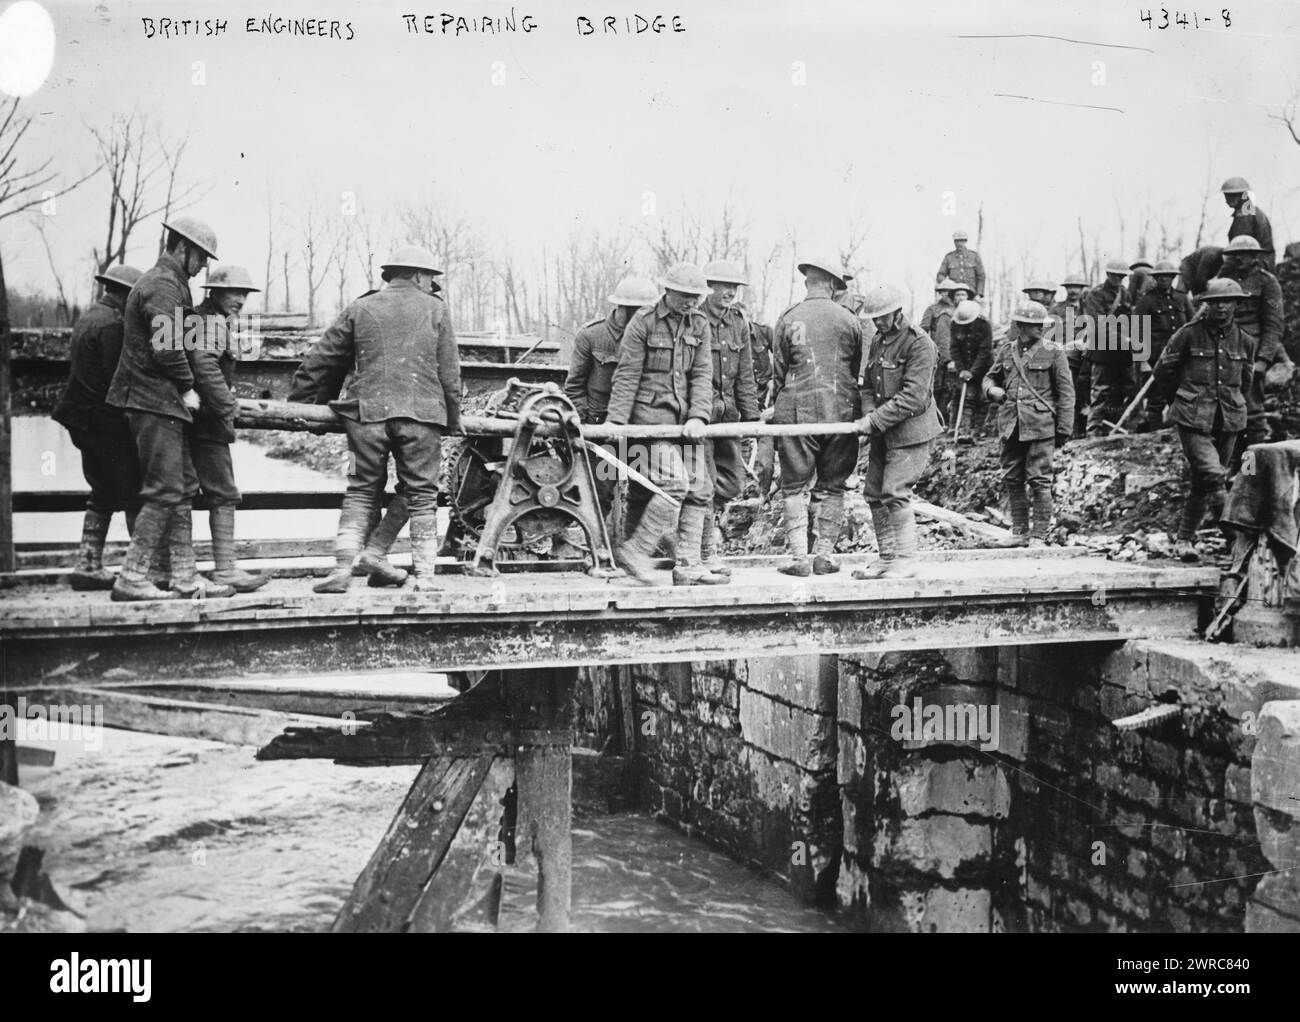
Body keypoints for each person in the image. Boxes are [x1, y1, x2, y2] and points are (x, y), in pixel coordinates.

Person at [289, 245, 461, 592]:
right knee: (422, 493)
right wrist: (453, 420)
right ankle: (424, 577)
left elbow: (321, 360)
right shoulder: (436, 309)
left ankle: (344, 569)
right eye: (430, 278)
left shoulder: (360, 306)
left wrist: (303, 406)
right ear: (418, 276)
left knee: (360, 488)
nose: (430, 285)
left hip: (365, 419)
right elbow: (450, 374)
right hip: (421, 419)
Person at [106, 216, 228, 601]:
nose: (204, 266)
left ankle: (184, 577)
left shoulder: (173, 285)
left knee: (184, 485)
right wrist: (189, 387)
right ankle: (132, 575)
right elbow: (167, 348)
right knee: (165, 489)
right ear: (182, 248)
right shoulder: (162, 285)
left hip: (162, 402)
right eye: (201, 256)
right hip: (153, 401)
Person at [604, 262, 719, 586]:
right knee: (674, 482)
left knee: (700, 488)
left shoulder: (700, 324)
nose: (692, 302)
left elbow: (702, 375)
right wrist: (616, 423)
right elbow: (627, 376)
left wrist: (698, 415)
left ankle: (688, 566)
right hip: (649, 424)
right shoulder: (643, 322)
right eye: (685, 296)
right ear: (668, 291)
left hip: (685, 425)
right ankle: (635, 552)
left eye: (696, 297)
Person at [770, 255, 864, 577]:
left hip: (797, 413)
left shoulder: (788, 317)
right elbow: (855, 369)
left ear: (807, 283)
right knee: (834, 486)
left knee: (794, 486)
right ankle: (824, 555)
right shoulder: (849, 320)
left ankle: (799, 557)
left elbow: (779, 372)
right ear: (834, 286)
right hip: (841, 413)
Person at [52, 264, 143, 589]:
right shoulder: (113, 325)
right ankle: (140, 571)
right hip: (104, 422)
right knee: (136, 491)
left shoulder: (89, 317)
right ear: (126, 294)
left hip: (81, 419)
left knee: (102, 489)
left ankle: (88, 564)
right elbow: (119, 378)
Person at [1151, 278, 1254, 561]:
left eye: (1227, 301)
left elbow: (1246, 381)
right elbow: (1163, 372)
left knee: (1201, 481)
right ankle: (1236, 541)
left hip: (1228, 418)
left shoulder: (1245, 341)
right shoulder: (1188, 334)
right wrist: (1181, 400)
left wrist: (1234, 404)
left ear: (1236, 304)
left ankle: (1184, 540)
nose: (1221, 307)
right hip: (1192, 417)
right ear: (1206, 305)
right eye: (1215, 302)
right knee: (1214, 476)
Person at [186, 265, 272, 593]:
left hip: (191, 419)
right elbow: (204, 364)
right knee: (222, 492)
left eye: (244, 294)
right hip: (206, 423)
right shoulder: (212, 322)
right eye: (234, 292)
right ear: (216, 292)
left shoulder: (201, 317)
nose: (241, 300)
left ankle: (174, 569)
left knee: (180, 492)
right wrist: (226, 404)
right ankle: (225, 570)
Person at [851, 282, 942, 580]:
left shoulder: (919, 343)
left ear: (897, 313)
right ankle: (888, 558)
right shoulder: (878, 341)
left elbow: (913, 397)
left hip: (911, 431)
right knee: (873, 492)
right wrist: (869, 415)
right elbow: (868, 386)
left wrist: (874, 420)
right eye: (874, 318)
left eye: (882, 317)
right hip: (883, 430)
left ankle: (907, 560)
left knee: (895, 492)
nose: (877, 323)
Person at [564, 275, 660, 516]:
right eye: (637, 311)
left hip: (639, 429)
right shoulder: (592, 336)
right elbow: (574, 387)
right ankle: (596, 540)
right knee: (598, 494)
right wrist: (588, 425)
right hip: (603, 433)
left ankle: (632, 539)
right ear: (622, 308)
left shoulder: (655, 338)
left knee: (647, 492)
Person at [982, 302, 1074, 547]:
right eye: (1035, 325)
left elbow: (1066, 393)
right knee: (1012, 478)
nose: (1041, 329)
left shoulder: (1054, 352)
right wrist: (991, 390)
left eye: (1042, 325)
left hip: (1040, 425)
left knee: (1040, 480)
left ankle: (1039, 536)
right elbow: (990, 377)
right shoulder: (1006, 350)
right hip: (1011, 425)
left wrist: (1064, 429)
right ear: (1021, 326)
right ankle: (1019, 532)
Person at [700, 259, 760, 578]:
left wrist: (752, 420)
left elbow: (745, 375)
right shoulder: (695, 320)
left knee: (733, 482)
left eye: (734, 287)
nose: (730, 292)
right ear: (708, 287)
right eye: (724, 286)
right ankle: (705, 553)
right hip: (700, 418)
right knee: (703, 484)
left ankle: (698, 538)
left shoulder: (739, 322)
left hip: (729, 417)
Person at [1218, 235, 1292, 456]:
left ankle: (1252, 468)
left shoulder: (1267, 282)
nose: (1238, 259)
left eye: (1243, 254)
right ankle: (1231, 464)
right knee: (1225, 413)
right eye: (1234, 255)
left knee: (1252, 415)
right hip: (1223, 352)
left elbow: (1274, 326)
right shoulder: (1224, 281)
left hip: (1250, 354)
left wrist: (1263, 360)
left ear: (1254, 257)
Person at [1131, 261, 1194, 431]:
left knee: (1181, 396)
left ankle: (1178, 434)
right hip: (1156, 358)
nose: (1164, 279)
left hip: (1181, 357)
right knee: (1156, 399)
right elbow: (1137, 331)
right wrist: (1142, 360)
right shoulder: (1147, 300)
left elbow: (1193, 325)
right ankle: (1155, 435)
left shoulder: (1182, 298)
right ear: (1155, 278)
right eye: (1160, 277)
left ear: (1173, 277)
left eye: (1167, 276)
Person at [1080, 259, 1135, 436]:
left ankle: (1115, 428)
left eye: (1122, 276)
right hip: (1102, 350)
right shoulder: (1095, 294)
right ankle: (1093, 431)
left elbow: (1130, 319)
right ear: (1108, 274)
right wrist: (1124, 339)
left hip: (1122, 352)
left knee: (1123, 389)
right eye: (1115, 275)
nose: (1118, 279)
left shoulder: (1125, 293)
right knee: (1100, 392)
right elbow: (1098, 325)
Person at [947, 298, 993, 443]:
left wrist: (973, 371)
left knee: (983, 399)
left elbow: (985, 350)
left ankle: (978, 430)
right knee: (966, 397)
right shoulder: (954, 324)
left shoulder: (984, 325)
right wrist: (961, 369)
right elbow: (954, 348)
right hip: (964, 367)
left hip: (983, 367)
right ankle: (963, 431)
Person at [921, 278, 961, 415]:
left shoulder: (959, 309)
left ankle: (946, 417)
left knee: (951, 388)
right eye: (943, 291)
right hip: (935, 352)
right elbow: (923, 330)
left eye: (949, 291)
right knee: (936, 386)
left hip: (955, 353)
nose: (946, 294)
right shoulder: (932, 309)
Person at [1221, 175, 1274, 256]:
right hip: (1253, 258)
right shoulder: (1249, 212)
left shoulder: (1245, 215)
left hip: (1254, 260)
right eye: (1226, 196)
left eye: (1230, 196)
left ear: (1242, 195)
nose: (1226, 200)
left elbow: (1240, 247)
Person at [935, 230, 986, 298]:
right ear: (954, 242)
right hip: (954, 294)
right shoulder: (949, 257)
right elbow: (940, 275)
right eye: (957, 241)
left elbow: (981, 276)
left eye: (961, 241)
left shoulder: (974, 256)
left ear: (965, 241)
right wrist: (948, 283)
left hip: (971, 294)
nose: (959, 243)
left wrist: (979, 294)